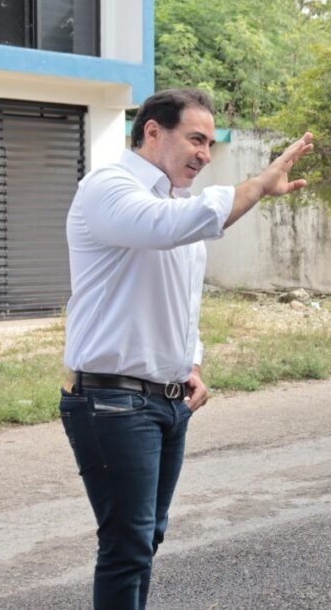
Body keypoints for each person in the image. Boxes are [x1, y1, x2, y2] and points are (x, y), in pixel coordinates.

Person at [61, 88, 312, 609]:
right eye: (196, 139)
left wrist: (190, 361)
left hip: (167, 402)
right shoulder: (109, 186)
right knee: (126, 546)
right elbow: (166, 228)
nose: (205, 154)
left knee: (146, 539)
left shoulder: (175, 202)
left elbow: (181, 300)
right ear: (153, 132)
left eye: (211, 145)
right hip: (111, 401)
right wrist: (258, 186)